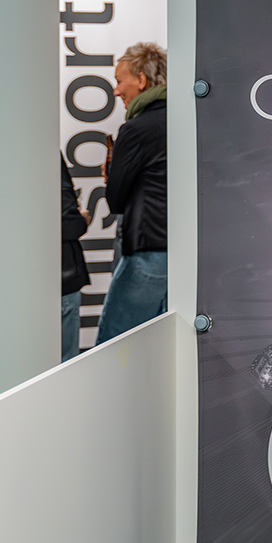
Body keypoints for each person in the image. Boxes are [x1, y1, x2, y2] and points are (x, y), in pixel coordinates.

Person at [97, 42, 168, 343]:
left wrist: (112, 175)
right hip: (186, 253)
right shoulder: (187, 120)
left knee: (115, 343)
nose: (115, 91)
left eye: (119, 80)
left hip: (147, 251)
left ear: (141, 79)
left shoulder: (135, 129)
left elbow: (116, 200)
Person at [60, 159, 92, 362]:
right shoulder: (46, 155)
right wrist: (82, 219)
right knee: (64, 365)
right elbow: (67, 223)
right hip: (61, 279)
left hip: (16, 286)